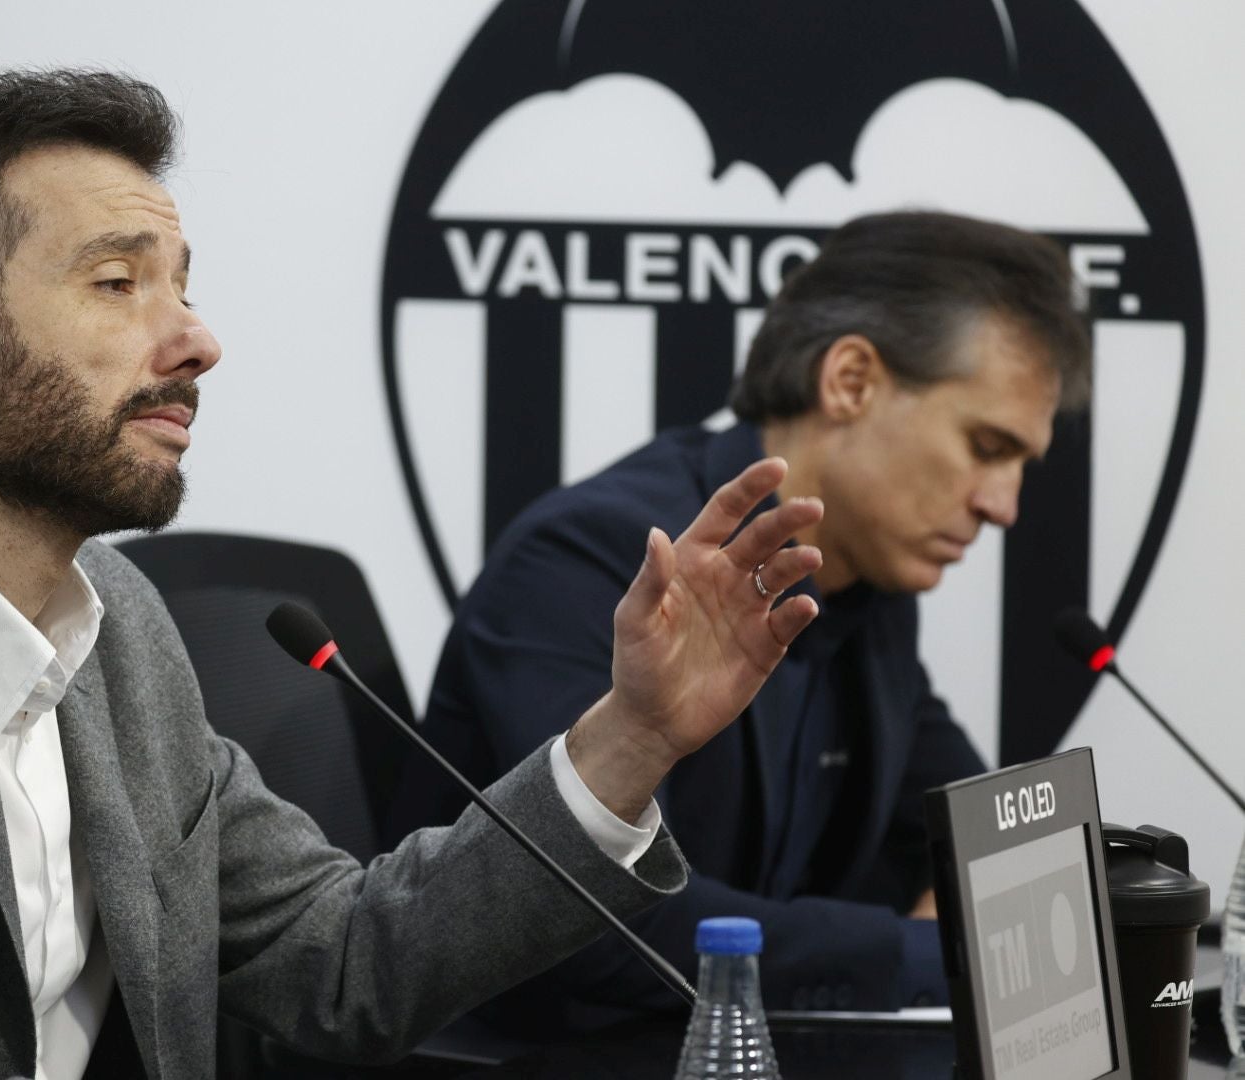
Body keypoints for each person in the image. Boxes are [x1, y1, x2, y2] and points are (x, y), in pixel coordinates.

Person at [0, 70, 826, 1079]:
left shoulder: (122, 632)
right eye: (118, 282)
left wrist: (634, 734)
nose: (196, 339)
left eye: (183, 284)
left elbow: (342, 959)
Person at [385, 211, 1092, 1031]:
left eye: (1020, 467)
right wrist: (940, 957)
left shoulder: (867, 586)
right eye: (985, 445)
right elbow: (603, 923)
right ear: (852, 380)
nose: (1002, 506)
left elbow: (983, 836)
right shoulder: (601, 560)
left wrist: (993, 903)